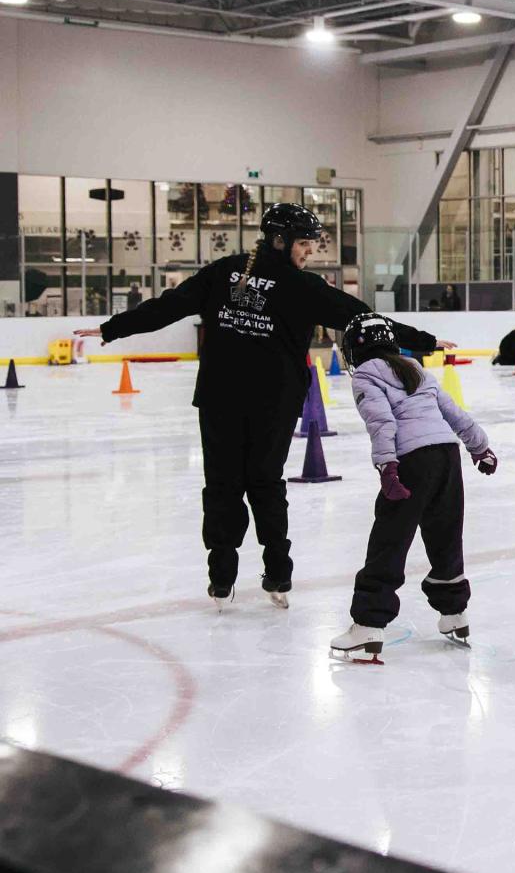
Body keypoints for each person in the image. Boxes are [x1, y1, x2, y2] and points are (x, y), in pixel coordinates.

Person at [78, 202, 441, 610]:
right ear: (280, 240)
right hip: (268, 402)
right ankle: (274, 574)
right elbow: (361, 318)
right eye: (304, 243)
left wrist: (113, 329)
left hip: (224, 399)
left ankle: (225, 578)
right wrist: (421, 340)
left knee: (223, 485)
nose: (309, 252)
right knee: (263, 484)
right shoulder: (299, 286)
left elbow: (169, 305)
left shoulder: (228, 271)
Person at [327, 315, 497, 663]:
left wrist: (387, 467)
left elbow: (381, 421)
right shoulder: (415, 369)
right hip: (447, 458)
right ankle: (454, 614)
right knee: (445, 536)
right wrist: (480, 447)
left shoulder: (365, 375)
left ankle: (368, 624)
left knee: (390, 538)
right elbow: (454, 413)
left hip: (411, 461)